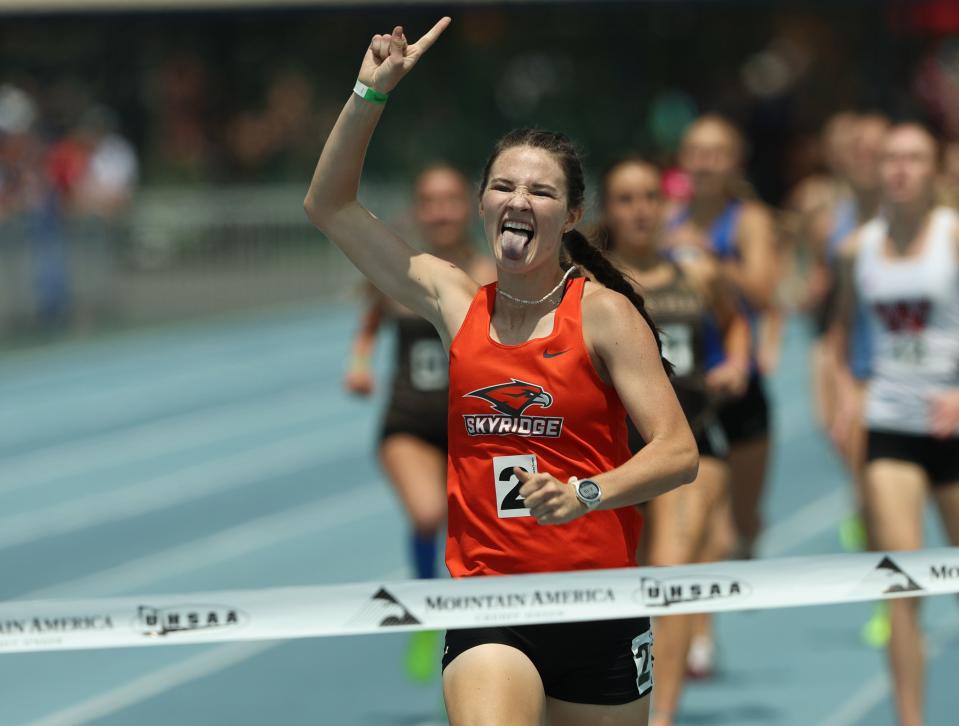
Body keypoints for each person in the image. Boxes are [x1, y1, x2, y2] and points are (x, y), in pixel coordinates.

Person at [304, 20, 699, 726]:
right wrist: (370, 92)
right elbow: (328, 205)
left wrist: (585, 491)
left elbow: (676, 451)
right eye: (503, 186)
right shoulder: (453, 301)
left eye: (541, 192)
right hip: (489, 605)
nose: (519, 200)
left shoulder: (602, 314)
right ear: (483, 203)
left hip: (597, 607)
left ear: (572, 215)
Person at [597, 157, 750, 726]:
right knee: (627, 574)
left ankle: (663, 716)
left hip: (692, 442)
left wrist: (735, 361)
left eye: (649, 198)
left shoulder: (699, 273)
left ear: (666, 207)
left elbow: (737, 322)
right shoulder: (591, 284)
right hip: (620, 450)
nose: (640, 210)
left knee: (672, 567)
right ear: (608, 211)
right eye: (626, 199)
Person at [343, 163, 494, 682]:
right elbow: (368, 324)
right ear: (417, 211)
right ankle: (428, 616)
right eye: (430, 201)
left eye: (451, 199)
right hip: (408, 421)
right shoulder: (399, 271)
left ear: (471, 207)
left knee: (478, 537)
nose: (441, 211)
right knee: (429, 514)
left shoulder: (492, 274)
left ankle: (470, 633)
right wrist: (359, 365)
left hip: (474, 430)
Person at [831, 122, 959, 726]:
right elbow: (840, 336)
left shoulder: (953, 237)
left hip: (952, 426)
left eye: (915, 158)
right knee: (903, 584)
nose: (902, 169)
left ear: (935, 170)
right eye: (892, 159)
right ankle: (911, 720)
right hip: (890, 427)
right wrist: (846, 396)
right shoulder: (859, 247)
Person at [664, 114, 779, 676]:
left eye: (717, 152)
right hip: (688, 387)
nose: (705, 161)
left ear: (735, 163)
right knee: (701, 517)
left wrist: (709, 258)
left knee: (741, 521)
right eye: (695, 150)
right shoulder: (663, 219)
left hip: (742, 384)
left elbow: (763, 290)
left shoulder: (749, 219)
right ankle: (701, 636)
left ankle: (749, 543)